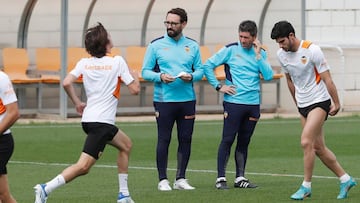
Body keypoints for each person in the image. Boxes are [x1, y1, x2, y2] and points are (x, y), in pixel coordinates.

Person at [33, 22, 140, 203]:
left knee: (126, 145)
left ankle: (124, 195)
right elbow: (135, 90)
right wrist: (134, 75)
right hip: (102, 123)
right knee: (83, 167)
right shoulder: (117, 61)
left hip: (91, 120)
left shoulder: (84, 63)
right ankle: (45, 189)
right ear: (105, 42)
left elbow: (67, 82)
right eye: (108, 35)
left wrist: (77, 103)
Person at [270, 20, 357, 200]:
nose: (280, 45)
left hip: (319, 101)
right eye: (278, 42)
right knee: (318, 148)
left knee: (305, 141)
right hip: (303, 105)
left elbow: (328, 79)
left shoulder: (312, 50)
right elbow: (289, 80)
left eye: (282, 41)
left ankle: (306, 186)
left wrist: (337, 103)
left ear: (291, 36)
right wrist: (297, 104)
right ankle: (345, 179)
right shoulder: (281, 54)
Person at [203, 20, 274, 190]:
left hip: (253, 103)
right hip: (234, 103)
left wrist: (258, 55)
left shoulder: (260, 53)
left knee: (244, 141)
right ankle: (221, 178)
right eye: (240, 36)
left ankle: (240, 178)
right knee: (227, 139)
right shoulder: (230, 50)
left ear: (254, 37)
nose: (242, 40)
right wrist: (219, 86)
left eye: (246, 37)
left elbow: (269, 75)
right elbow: (208, 65)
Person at [141, 7, 203, 191]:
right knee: (164, 139)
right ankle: (162, 180)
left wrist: (191, 77)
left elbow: (200, 70)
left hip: (187, 100)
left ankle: (181, 179)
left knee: (185, 139)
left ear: (183, 24)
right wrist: (160, 77)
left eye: (173, 23)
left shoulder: (192, 46)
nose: (169, 26)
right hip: (164, 100)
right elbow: (145, 71)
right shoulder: (155, 45)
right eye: (167, 22)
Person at [0, 71, 20, 203]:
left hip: (1, 142)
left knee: (3, 195)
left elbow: (13, 113)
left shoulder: (1, 78)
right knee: (4, 195)